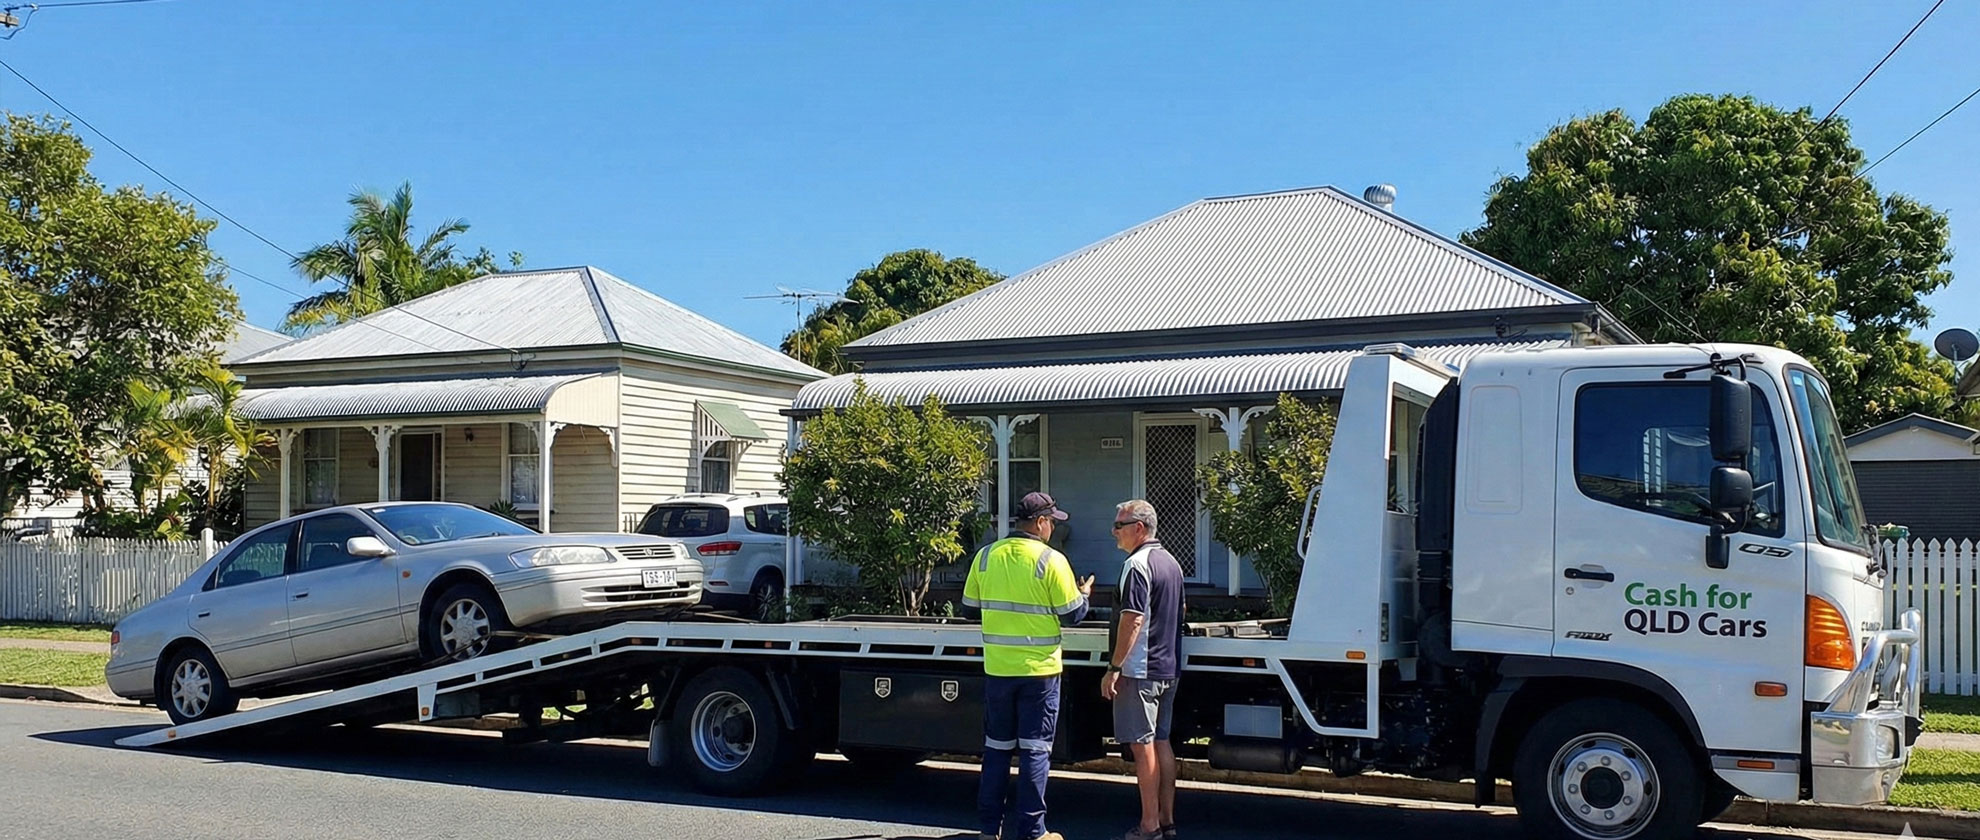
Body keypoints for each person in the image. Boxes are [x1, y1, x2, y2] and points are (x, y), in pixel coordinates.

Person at [962, 491, 1094, 840]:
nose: (1053, 529)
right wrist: (1084, 595)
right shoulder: (1051, 560)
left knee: (996, 750)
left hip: (998, 670)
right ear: (1040, 523)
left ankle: (988, 831)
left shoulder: (985, 556)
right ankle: (1033, 831)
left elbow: (969, 609)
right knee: (1035, 751)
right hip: (1039, 672)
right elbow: (1072, 615)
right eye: (1052, 522)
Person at [1101, 499, 1184, 840]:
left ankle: (1149, 826)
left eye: (1119, 525)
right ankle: (1167, 820)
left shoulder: (1136, 565)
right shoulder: (1172, 563)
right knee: (1161, 741)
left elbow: (1133, 619)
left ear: (1139, 528)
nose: (1114, 532)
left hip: (1140, 669)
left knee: (1142, 745)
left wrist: (1114, 667)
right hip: (1168, 667)